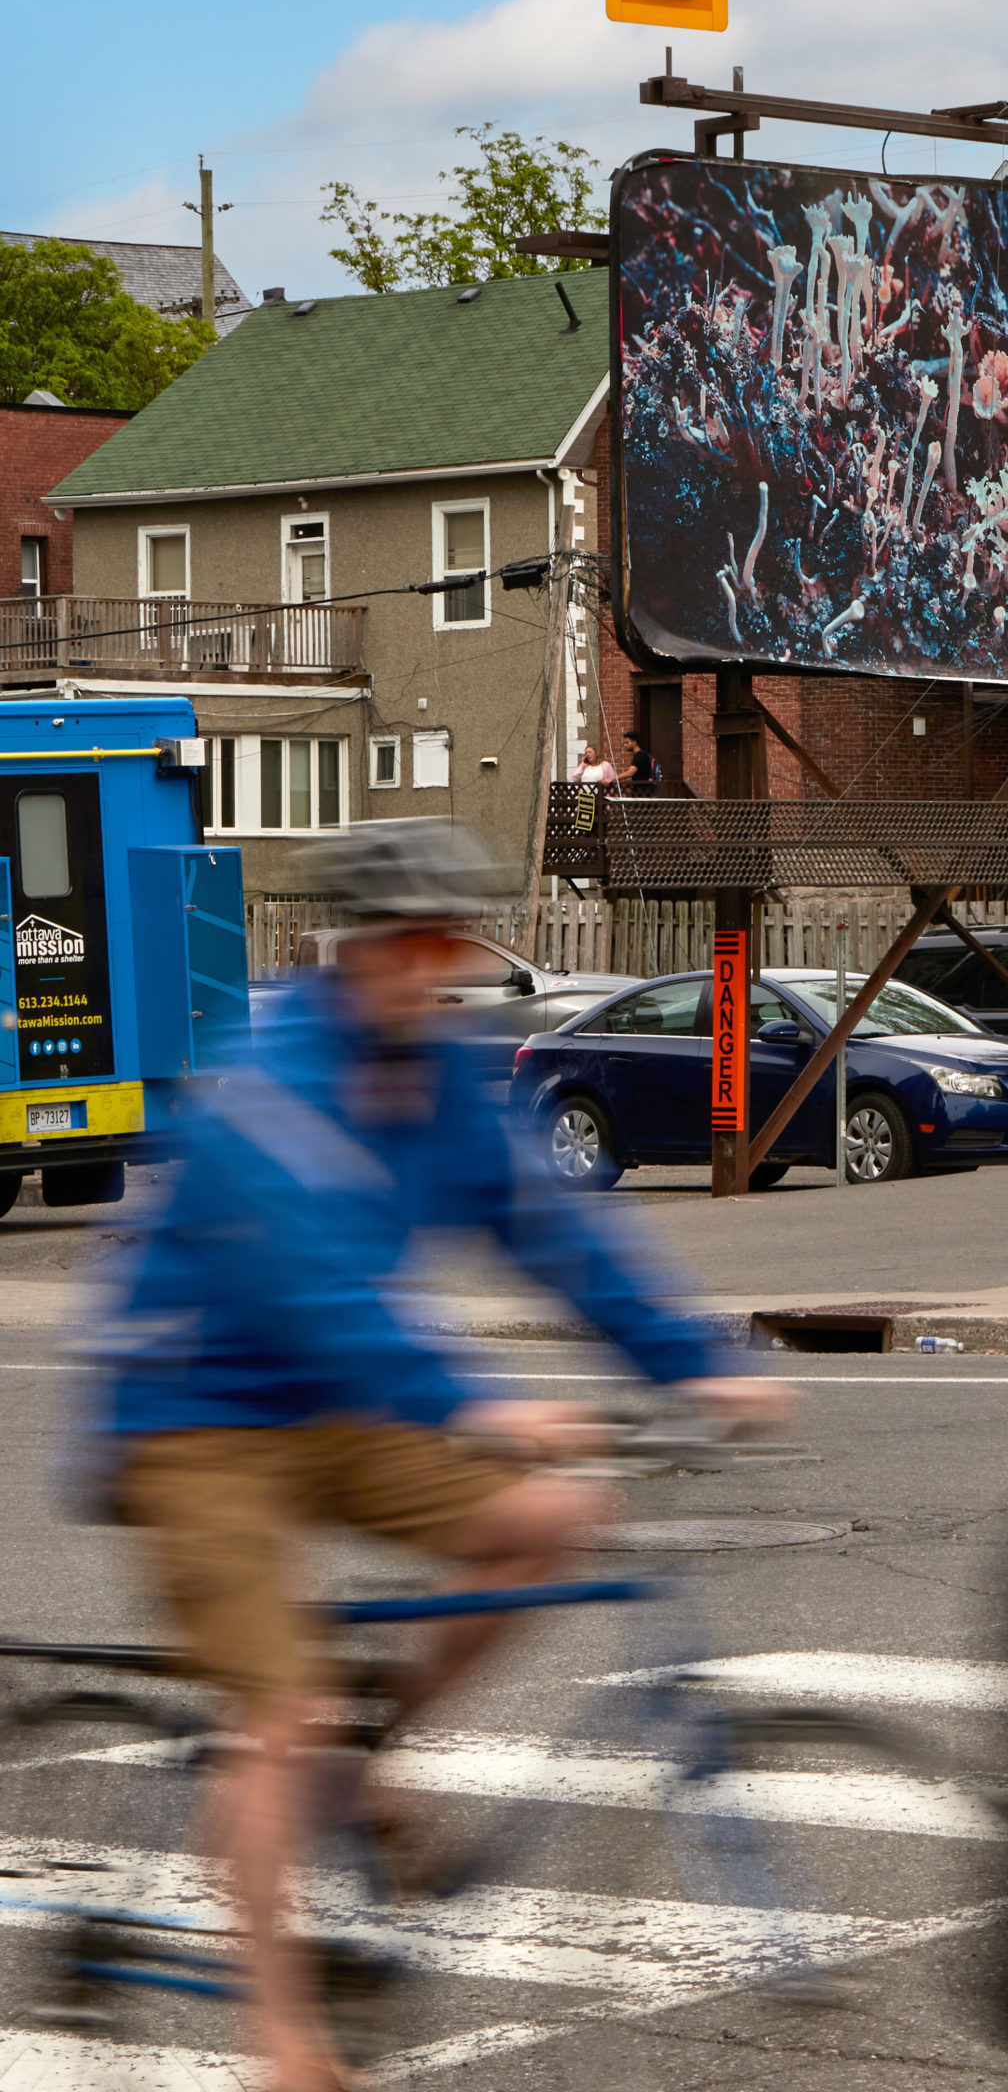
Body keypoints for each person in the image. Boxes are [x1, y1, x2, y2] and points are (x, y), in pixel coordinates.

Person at [87, 821, 785, 2092]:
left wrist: (691, 1363)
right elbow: (317, 1293)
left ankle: (370, 1757)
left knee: (548, 1515)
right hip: (194, 1413)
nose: (430, 965)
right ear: (354, 948)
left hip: (337, 1408)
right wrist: (475, 1402)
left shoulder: (442, 1083)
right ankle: (278, 2037)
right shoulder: (273, 1084)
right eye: (406, 942)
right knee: (283, 1713)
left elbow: (557, 1239)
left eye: (442, 941)